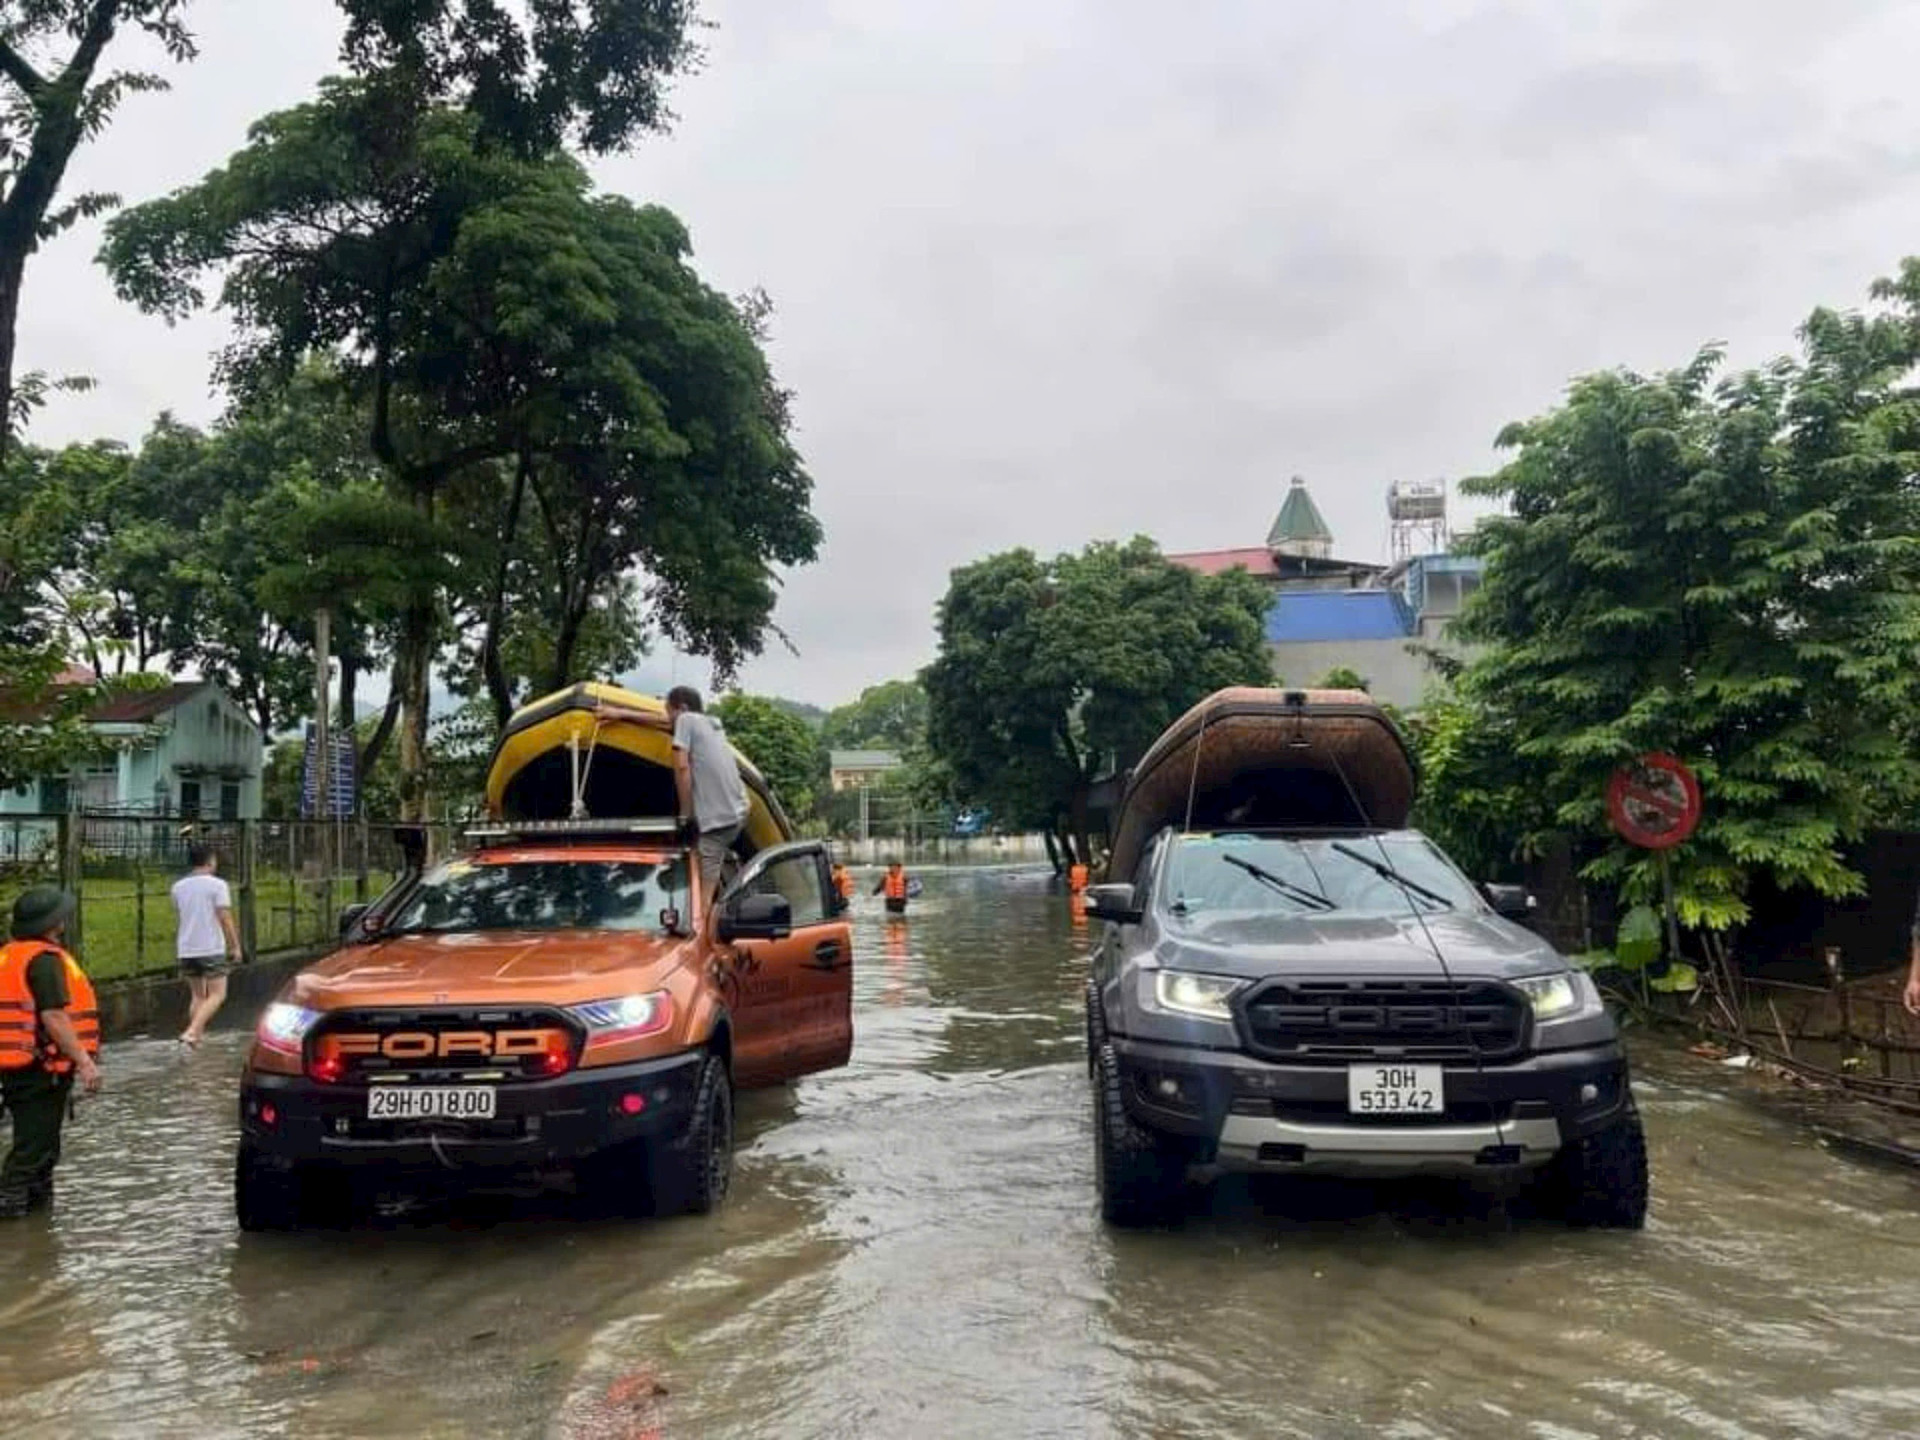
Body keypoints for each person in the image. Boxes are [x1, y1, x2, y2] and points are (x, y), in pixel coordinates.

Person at [0, 886, 102, 1218]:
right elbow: (54, 1017)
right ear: (52, 923)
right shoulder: (43, 961)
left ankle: (38, 1234)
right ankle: (12, 1220)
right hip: (39, 1068)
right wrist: (85, 1061)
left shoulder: (11, 954)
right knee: (33, 1149)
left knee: (42, 1149)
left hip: (20, 1064)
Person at [172, 844, 241, 1048]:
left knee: (198, 995)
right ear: (210, 861)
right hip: (211, 948)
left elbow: (181, 914)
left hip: (186, 948)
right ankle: (192, 1032)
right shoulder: (218, 885)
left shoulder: (178, 887)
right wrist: (235, 946)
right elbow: (225, 918)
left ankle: (195, 1038)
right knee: (218, 994)